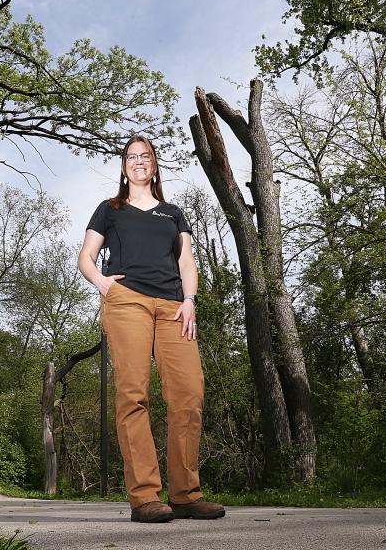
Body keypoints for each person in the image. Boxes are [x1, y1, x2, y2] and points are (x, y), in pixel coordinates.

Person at [78, 135, 226, 523]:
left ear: (154, 165)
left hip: (174, 308)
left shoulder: (173, 213)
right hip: (127, 302)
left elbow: (187, 260)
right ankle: (145, 497)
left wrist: (190, 301)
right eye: (131, 157)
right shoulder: (110, 209)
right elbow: (85, 256)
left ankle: (185, 495)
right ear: (124, 166)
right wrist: (103, 283)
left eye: (145, 156)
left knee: (189, 394)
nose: (138, 161)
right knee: (133, 394)